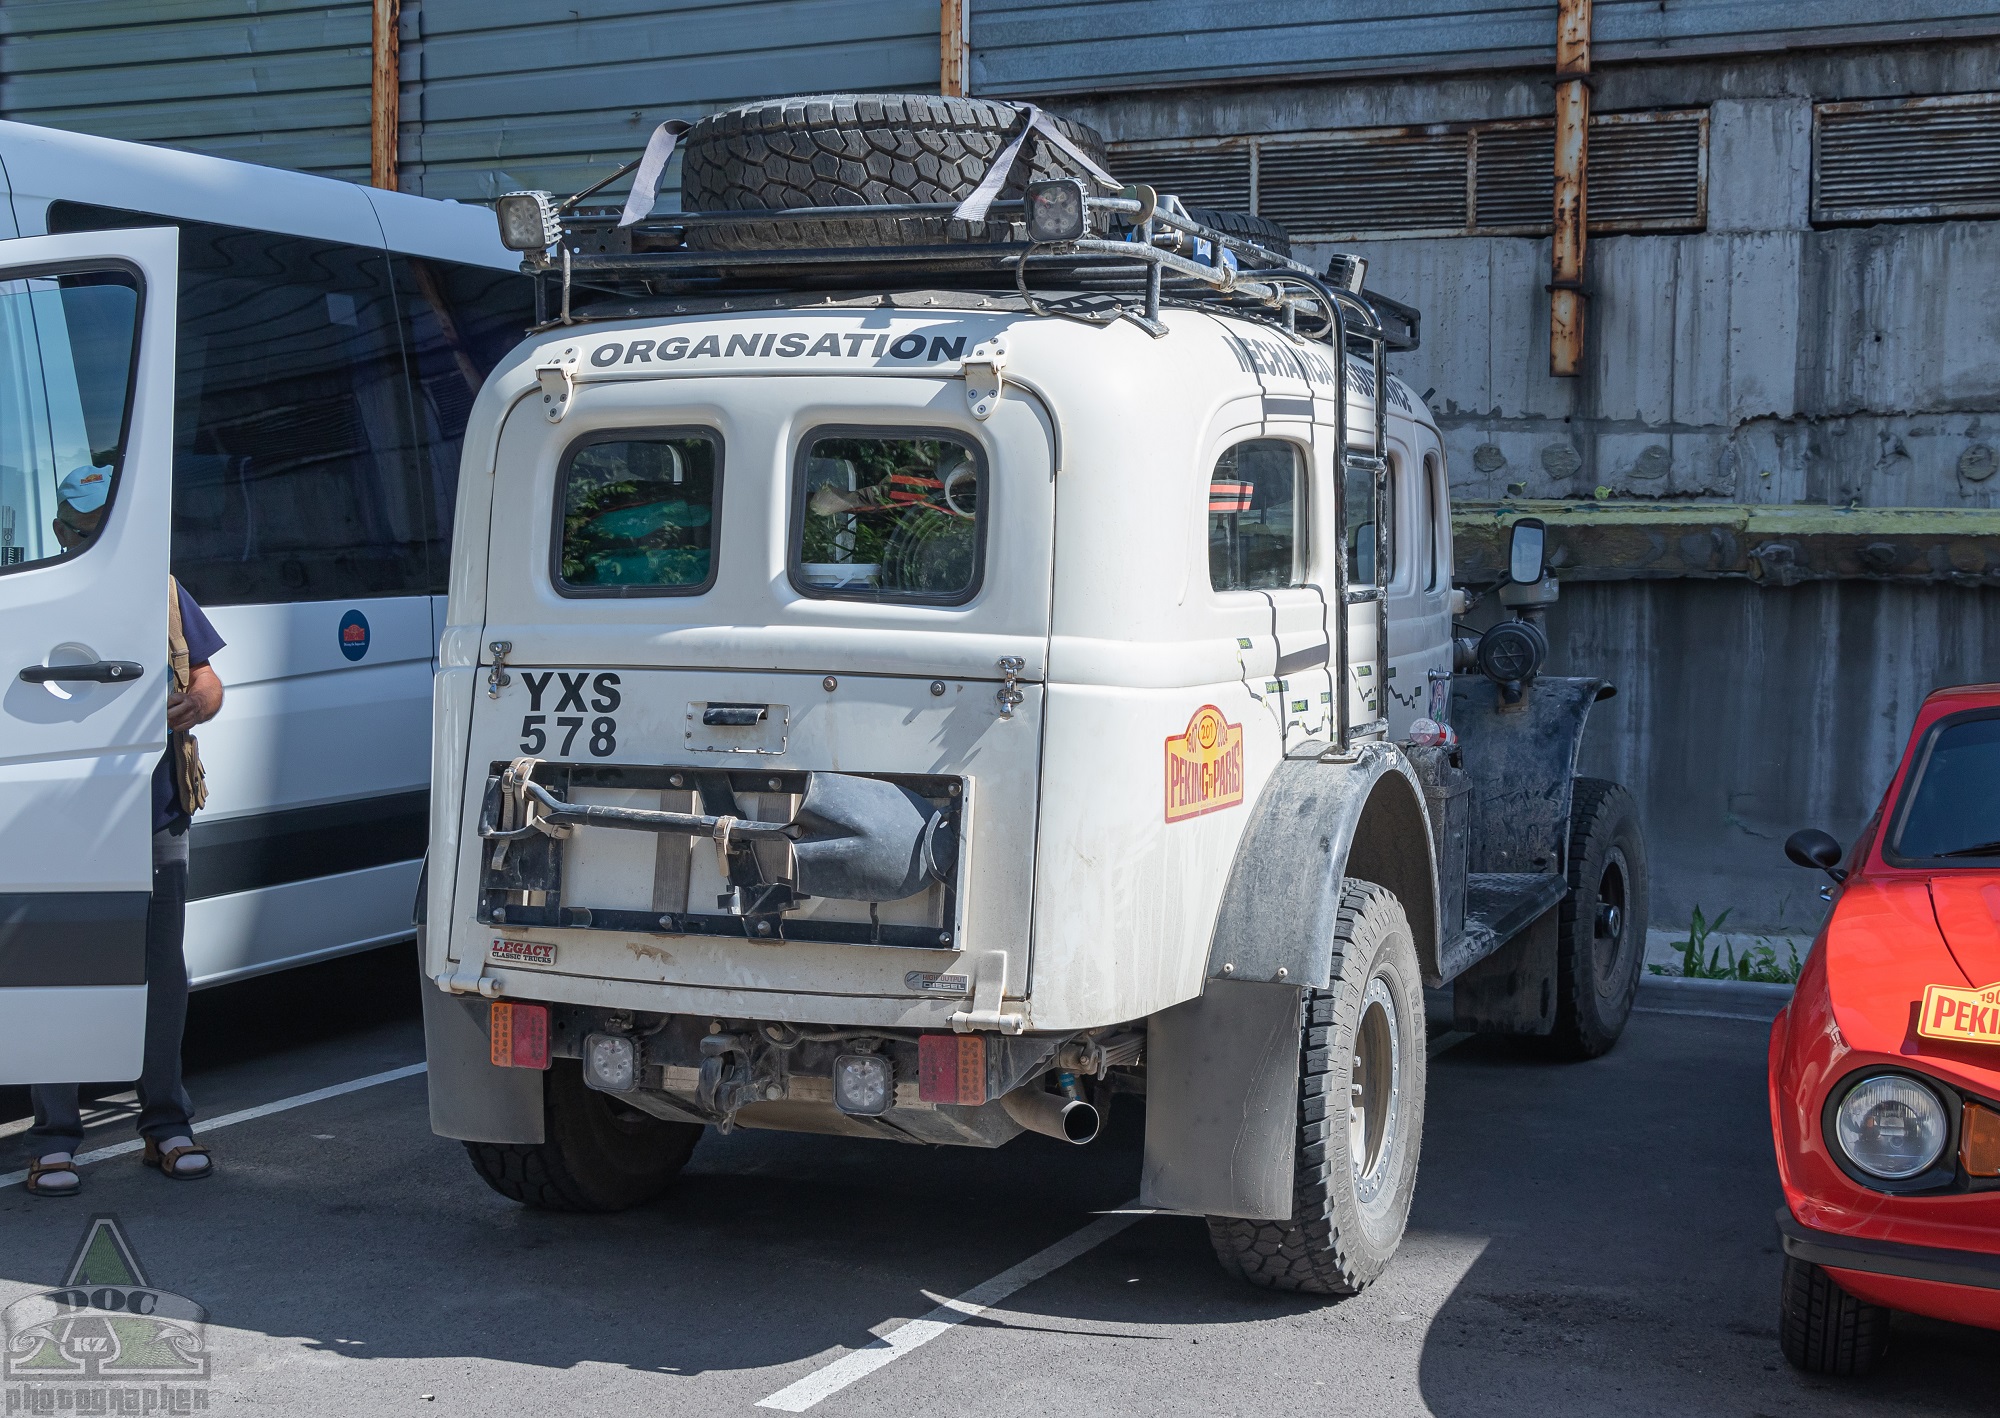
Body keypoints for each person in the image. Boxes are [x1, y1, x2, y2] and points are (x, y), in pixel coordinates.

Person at [27, 467, 226, 1196]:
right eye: (83, 529)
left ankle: (167, 1126)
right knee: (58, 973)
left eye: (108, 525)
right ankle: (53, 1138)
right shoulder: (31, 597)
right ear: (61, 533)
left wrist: (194, 705)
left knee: (161, 972)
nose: (96, 541)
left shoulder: (166, 592)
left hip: (153, 812)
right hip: (54, 820)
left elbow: (207, 681)